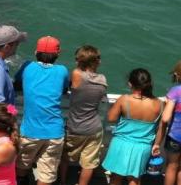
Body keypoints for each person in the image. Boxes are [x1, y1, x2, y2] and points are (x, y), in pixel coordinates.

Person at [13, 36, 69, 185]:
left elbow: (16, 84)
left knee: (22, 164)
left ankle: (21, 180)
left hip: (30, 130)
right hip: (55, 132)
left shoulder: (27, 67)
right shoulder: (62, 71)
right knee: (46, 174)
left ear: (36, 52)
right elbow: (65, 88)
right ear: (57, 54)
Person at [102, 68, 163, 185]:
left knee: (115, 177)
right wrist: (157, 144)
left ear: (130, 84)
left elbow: (111, 118)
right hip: (142, 147)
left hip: (121, 144)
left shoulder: (124, 99)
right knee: (134, 179)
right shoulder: (160, 104)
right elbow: (161, 128)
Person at [59, 45, 108, 185]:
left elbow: (71, 86)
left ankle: (62, 182)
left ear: (80, 61)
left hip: (75, 127)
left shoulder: (77, 74)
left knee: (65, 157)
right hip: (95, 128)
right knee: (89, 163)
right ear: (96, 62)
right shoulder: (103, 80)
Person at [152, 61, 181, 185]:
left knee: (172, 167)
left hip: (175, 137)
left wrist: (157, 143)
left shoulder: (176, 91)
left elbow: (165, 118)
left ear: (177, 75)